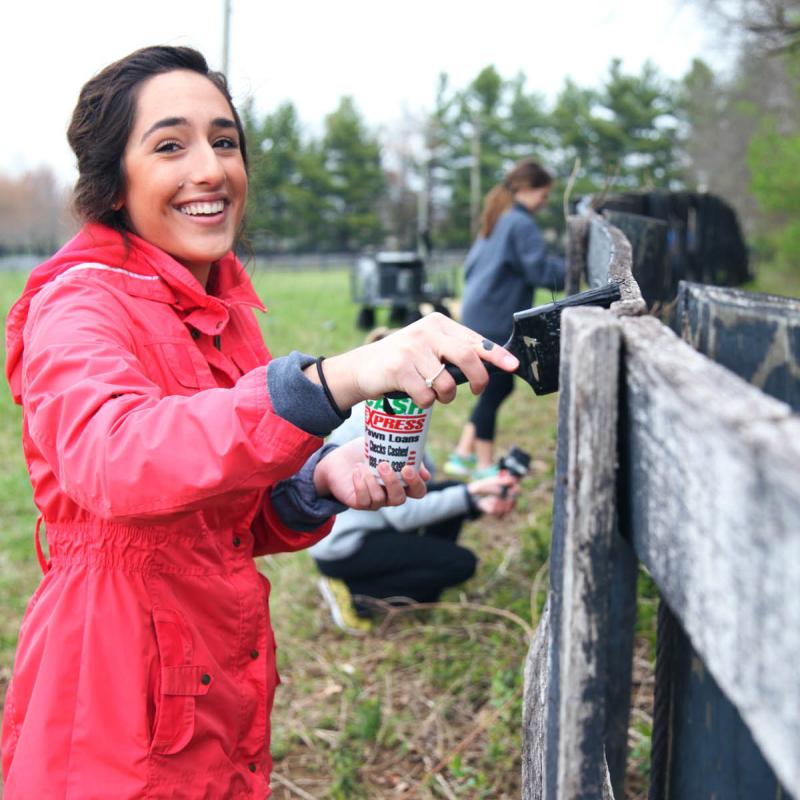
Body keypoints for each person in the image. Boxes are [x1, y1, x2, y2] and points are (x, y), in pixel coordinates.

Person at [1, 46, 520, 798]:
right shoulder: (80, 306)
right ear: (114, 181)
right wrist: (340, 378)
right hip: (112, 687)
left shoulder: (218, 311)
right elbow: (113, 459)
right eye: (170, 145)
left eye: (225, 141)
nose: (210, 169)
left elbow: (215, 509)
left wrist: (311, 484)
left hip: (210, 668)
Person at [309, 329, 520, 634]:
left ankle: (420, 572)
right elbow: (404, 513)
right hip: (346, 547)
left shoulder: (402, 408)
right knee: (460, 564)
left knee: (450, 494)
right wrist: (472, 492)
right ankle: (358, 596)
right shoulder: (371, 421)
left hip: (375, 525)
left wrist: (477, 501)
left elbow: (421, 487)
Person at [444, 159, 566, 479]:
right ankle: (484, 467)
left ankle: (462, 453)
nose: (545, 201)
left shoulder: (498, 218)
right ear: (527, 188)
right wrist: (573, 269)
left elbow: (472, 268)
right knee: (497, 386)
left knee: (496, 386)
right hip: (495, 317)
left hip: (478, 312)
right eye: (544, 193)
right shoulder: (520, 223)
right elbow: (538, 270)